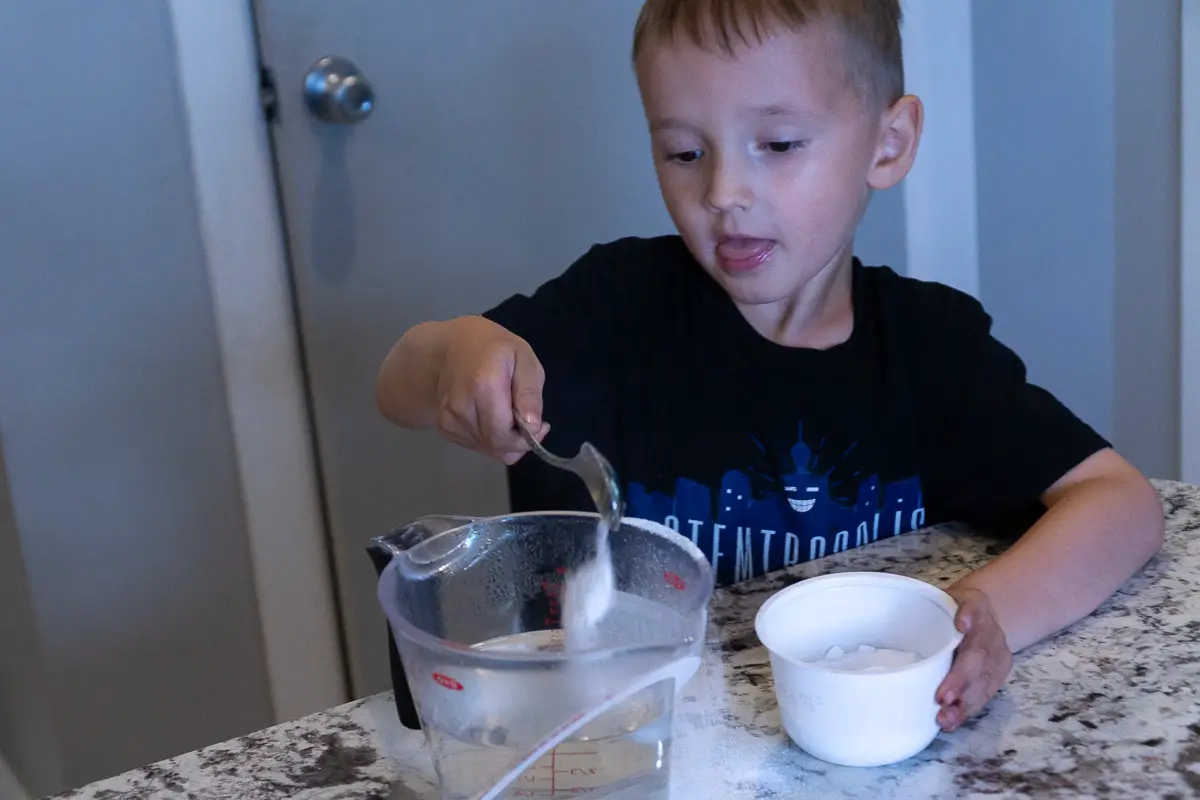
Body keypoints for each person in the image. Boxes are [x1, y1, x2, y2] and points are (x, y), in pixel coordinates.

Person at [374, 0, 1164, 734]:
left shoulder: (929, 351)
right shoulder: (613, 308)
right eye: (684, 152)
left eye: (779, 145)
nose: (723, 192)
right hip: (614, 747)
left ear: (887, 144)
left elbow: (1119, 503)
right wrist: (461, 351)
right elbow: (397, 386)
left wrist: (977, 613)